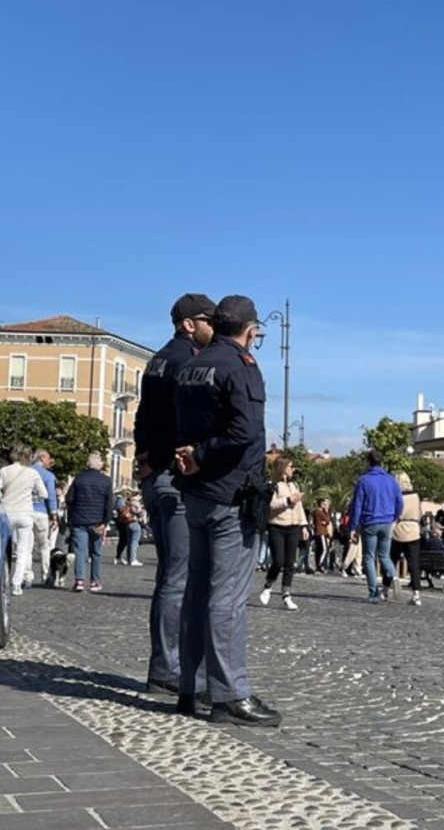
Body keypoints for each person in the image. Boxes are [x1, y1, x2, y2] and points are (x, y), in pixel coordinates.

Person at [173, 294, 280, 727]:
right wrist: (205, 452)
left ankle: (191, 687)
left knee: (196, 591)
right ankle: (230, 694)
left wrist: (190, 455)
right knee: (229, 597)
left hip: (194, 492)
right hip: (229, 494)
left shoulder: (191, 364)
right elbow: (245, 432)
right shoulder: (241, 366)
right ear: (250, 331)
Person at [134, 292, 216, 696]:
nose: (213, 326)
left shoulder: (157, 360)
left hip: (155, 476)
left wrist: (143, 456)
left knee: (170, 575)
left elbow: (143, 416)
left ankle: (163, 665)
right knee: (179, 578)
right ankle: (168, 668)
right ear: (188, 324)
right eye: (207, 319)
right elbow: (181, 422)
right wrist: (167, 457)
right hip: (173, 479)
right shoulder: (189, 362)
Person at [348, 450, 403, 603]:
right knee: (385, 555)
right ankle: (394, 575)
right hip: (387, 522)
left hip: (369, 522)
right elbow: (400, 502)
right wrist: (394, 517)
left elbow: (357, 505)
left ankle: (374, 593)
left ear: (368, 462)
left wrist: (354, 526)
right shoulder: (391, 480)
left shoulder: (364, 480)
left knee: (369, 558)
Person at [0, 445, 49, 595]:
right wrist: (32, 496)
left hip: (7, 513)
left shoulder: (4, 471)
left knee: (2, 549)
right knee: (23, 551)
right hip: (25, 513)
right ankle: (16, 584)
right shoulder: (32, 473)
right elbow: (44, 494)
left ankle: (0, 579)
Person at [259, 455, 305, 611]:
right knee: (278, 560)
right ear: (283, 468)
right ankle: (268, 585)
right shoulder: (273, 486)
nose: (293, 470)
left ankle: (286, 594)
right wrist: (288, 500)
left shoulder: (294, 485)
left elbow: (299, 507)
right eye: (290, 467)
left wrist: (304, 525)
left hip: (294, 527)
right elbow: (270, 505)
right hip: (277, 526)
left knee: (290, 562)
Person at [65, 453, 114, 593]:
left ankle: (79, 581)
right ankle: (95, 582)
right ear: (100, 465)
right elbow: (109, 504)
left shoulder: (79, 479)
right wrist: (105, 522)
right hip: (98, 522)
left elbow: (69, 498)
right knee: (96, 553)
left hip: (80, 520)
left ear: (87, 464)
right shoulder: (106, 481)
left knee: (80, 551)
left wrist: (72, 516)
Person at [390, 472, 423, 605]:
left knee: (392, 560)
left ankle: (385, 589)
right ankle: (416, 593)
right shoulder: (416, 496)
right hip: (414, 529)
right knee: (414, 564)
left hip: (399, 529)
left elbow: (395, 513)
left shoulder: (397, 496)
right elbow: (419, 513)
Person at [31, 449, 60, 588]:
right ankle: (45, 575)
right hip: (41, 512)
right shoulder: (48, 475)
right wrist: (54, 516)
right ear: (42, 458)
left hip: (26, 511)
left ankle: (27, 575)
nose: (50, 461)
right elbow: (51, 498)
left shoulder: (26, 472)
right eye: (48, 458)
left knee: (26, 547)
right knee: (44, 546)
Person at [311, 498, 333, 573]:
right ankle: (320, 565)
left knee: (319, 549)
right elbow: (327, 520)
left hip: (319, 532)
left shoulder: (316, 512)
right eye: (324, 504)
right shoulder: (319, 512)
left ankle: (319, 565)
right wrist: (326, 513)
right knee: (324, 549)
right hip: (321, 533)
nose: (325, 505)